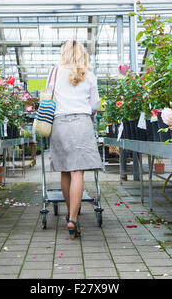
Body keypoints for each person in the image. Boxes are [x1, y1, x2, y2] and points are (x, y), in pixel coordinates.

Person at [45, 40, 102, 239]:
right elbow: (95, 104)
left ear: (64, 53)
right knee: (78, 171)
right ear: (81, 54)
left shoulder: (54, 72)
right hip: (82, 123)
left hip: (59, 123)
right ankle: (73, 218)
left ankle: (71, 216)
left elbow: (48, 97)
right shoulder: (89, 75)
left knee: (66, 170)